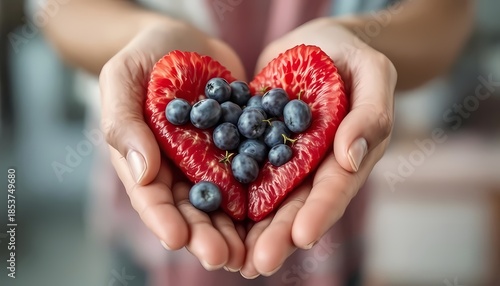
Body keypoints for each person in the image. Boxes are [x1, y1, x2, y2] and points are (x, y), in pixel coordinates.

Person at [40, 0, 474, 284]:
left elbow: (447, 16)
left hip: (331, 232)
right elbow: (58, 12)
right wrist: (141, 35)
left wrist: (362, 41)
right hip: (146, 238)